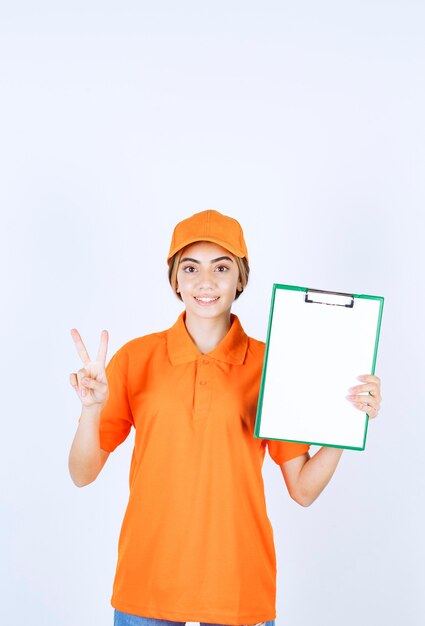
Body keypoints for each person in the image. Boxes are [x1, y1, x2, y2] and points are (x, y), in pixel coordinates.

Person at [68, 209, 382, 626]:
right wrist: (91, 412)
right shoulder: (135, 359)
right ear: (175, 279)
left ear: (241, 278)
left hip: (238, 587)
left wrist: (345, 423)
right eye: (190, 267)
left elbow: (303, 490)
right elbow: (81, 473)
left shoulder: (273, 364)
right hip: (147, 586)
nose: (206, 282)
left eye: (222, 267)